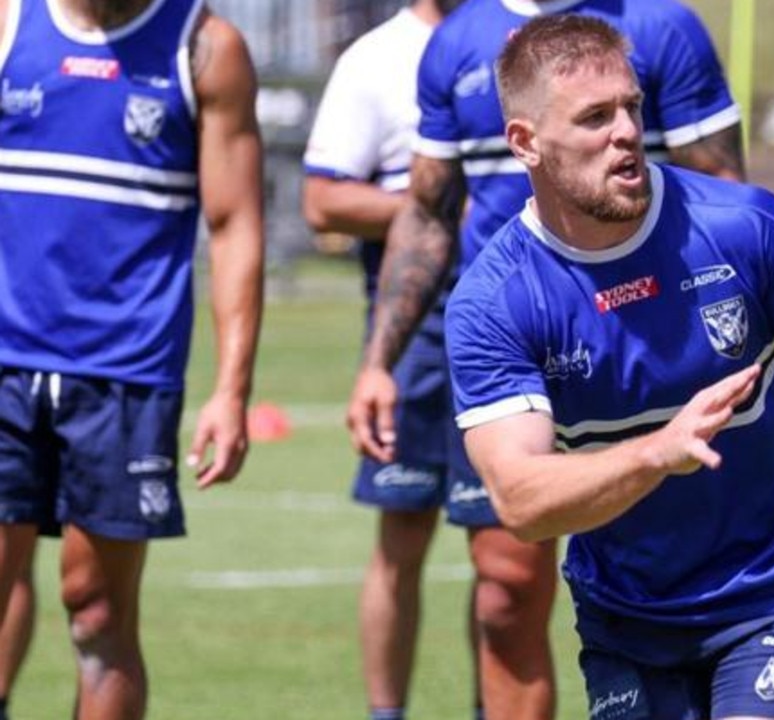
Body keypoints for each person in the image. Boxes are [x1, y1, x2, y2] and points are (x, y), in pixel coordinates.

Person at [440, 16, 774, 720]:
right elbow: (521, 500)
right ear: (526, 143)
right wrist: (658, 455)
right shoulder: (495, 301)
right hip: (627, 613)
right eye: (595, 117)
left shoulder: (744, 225)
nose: (627, 132)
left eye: (632, 107)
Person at [346, 1, 744, 718]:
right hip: (521, 351)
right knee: (505, 591)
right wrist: (380, 359)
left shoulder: (660, 27)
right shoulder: (456, 42)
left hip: (651, 351)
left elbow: (728, 198)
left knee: (693, 590)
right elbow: (430, 214)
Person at [0, 0, 264, 718]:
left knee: (96, 612)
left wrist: (231, 389)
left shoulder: (206, 47)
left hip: (126, 376)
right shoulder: (9, 24)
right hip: (4, 366)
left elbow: (235, 222)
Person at [300, 2, 496, 720]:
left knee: (502, 552)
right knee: (402, 532)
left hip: (512, 328)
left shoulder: (519, 35)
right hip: (413, 328)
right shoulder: (374, 60)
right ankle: (387, 715)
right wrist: (435, 205)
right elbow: (321, 201)